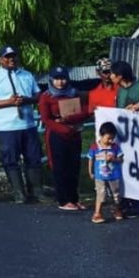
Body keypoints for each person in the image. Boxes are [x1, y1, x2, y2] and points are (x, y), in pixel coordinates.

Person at [0, 46, 43, 203]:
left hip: (28, 124)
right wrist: (9, 102)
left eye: (13, 56)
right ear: (1, 59)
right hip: (7, 126)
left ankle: (36, 191)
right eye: (7, 57)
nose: (11, 60)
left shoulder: (27, 75)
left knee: (34, 157)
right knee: (10, 159)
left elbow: (37, 95)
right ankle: (18, 193)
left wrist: (26, 100)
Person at [39, 65, 90, 211]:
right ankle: (63, 200)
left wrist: (69, 118)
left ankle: (74, 199)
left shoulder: (74, 93)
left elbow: (86, 111)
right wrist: (63, 128)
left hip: (74, 134)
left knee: (74, 167)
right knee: (60, 167)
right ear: (51, 80)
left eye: (62, 79)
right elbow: (46, 119)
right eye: (56, 79)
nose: (60, 82)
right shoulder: (46, 97)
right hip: (57, 135)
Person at [89, 122, 124, 224]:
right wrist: (90, 172)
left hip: (114, 175)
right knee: (101, 194)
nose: (110, 141)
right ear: (101, 135)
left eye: (112, 138)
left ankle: (117, 209)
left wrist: (114, 159)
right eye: (108, 138)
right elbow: (91, 160)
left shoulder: (115, 147)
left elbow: (121, 159)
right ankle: (97, 213)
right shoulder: (95, 147)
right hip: (100, 176)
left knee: (116, 194)